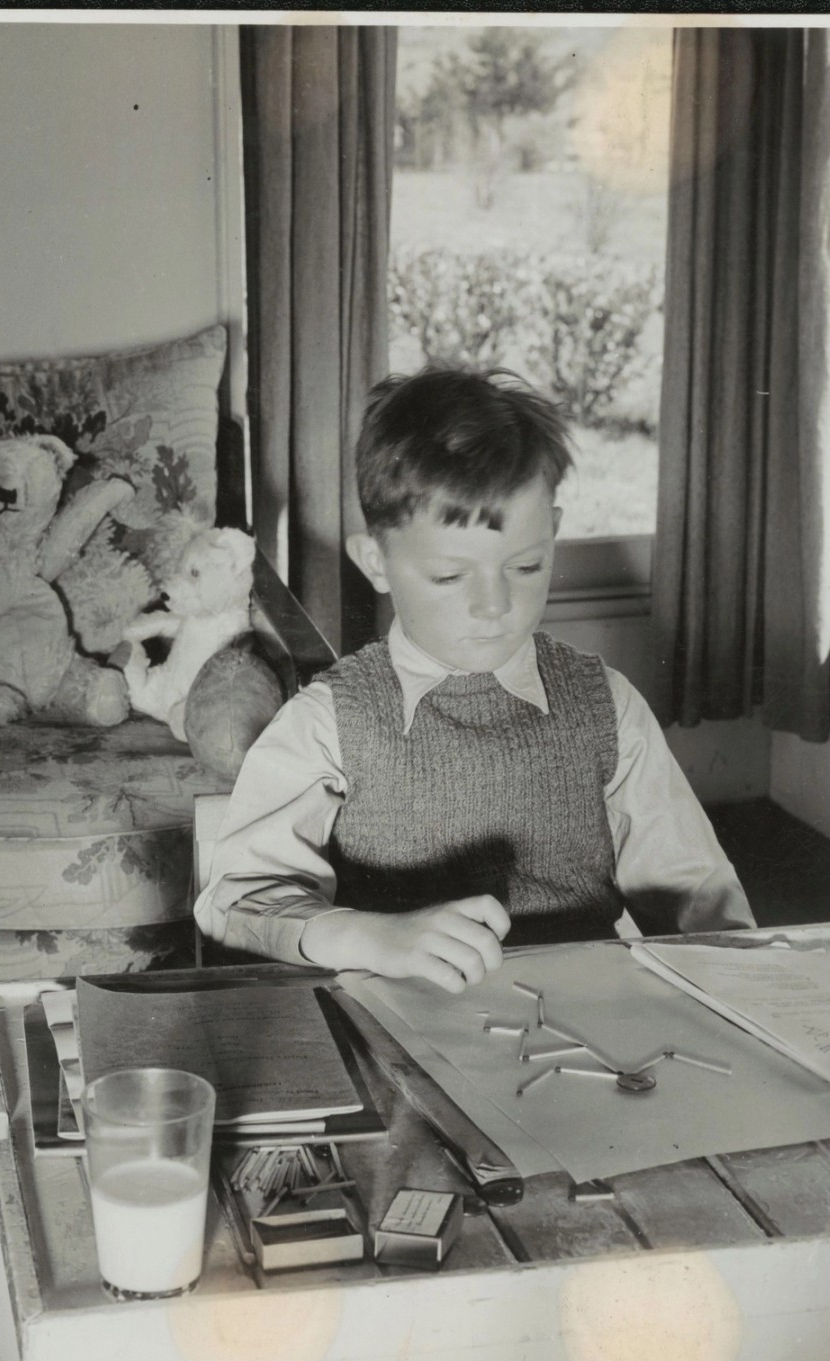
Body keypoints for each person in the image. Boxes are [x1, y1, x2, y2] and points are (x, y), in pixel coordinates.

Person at [195, 366, 755, 992]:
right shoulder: (329, 719)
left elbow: (701, 897)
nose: (494, 606)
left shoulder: (607, 706)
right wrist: (366, 935)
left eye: (526, 565)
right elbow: (236, 900)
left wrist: (747, 992)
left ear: (555, 532)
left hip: (584, 1019)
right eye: (450, 577)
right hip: (398, 1024)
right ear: (376, 562)